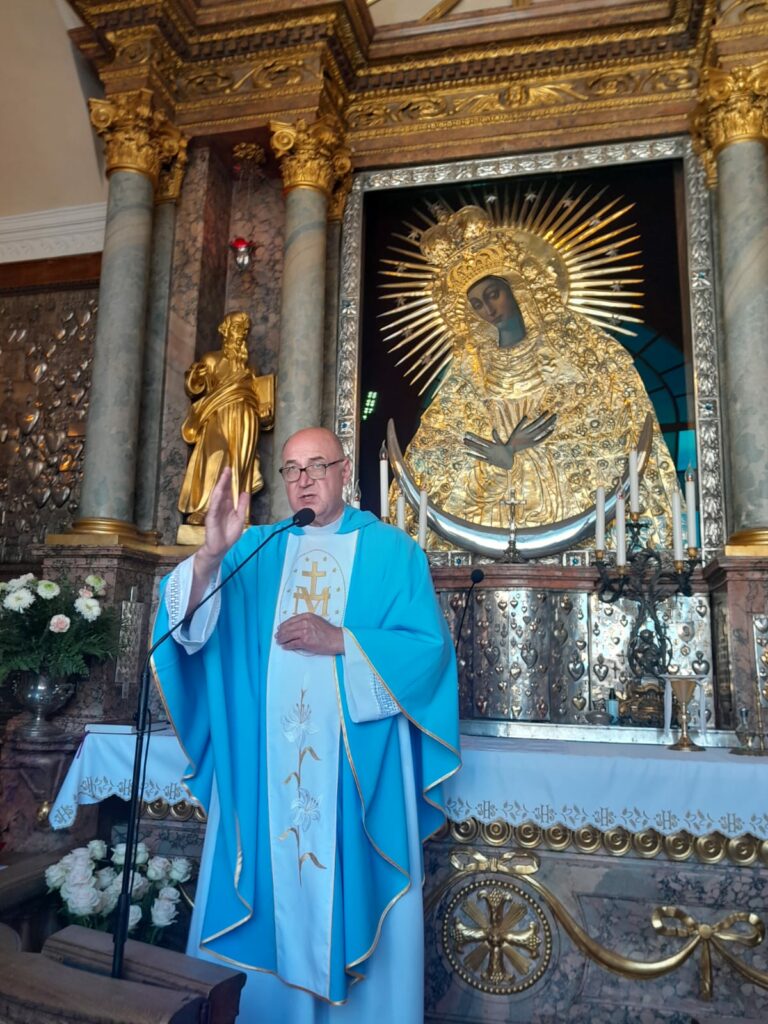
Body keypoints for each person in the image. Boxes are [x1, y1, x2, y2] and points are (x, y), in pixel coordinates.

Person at [153, 427, 460, 1023]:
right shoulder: (257, 548)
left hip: (353, 775)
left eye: (317, 465)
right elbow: (186, 628)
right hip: (264, 775)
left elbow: (428, 653)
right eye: (292, 469)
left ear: (345, 472)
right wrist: (211, 552)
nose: (304, 480)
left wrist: (343, 640)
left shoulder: (392, 552)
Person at [400, 255, 679, 548]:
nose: (489, 310)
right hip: (487, 516)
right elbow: (442, 447)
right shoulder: (470, 372)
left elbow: (597, 430)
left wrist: (524, 450)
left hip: (565, 507)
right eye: (478, 304)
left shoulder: (571, 354)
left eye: (493, 295)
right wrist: (500, 458)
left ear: (517, 290)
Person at [177, 310, 274, 526]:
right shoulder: (212, 359)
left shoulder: (251, 368)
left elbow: (261, 397)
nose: (242, 334)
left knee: (240, 464)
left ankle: (239, 514)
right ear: (226, 330)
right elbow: (195, 387)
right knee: (217, 454)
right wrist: (196, 376)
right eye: (238, 328)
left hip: (246, 417)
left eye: (245, 330)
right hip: (217, 414)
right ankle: (206, 508)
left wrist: (265, 412)